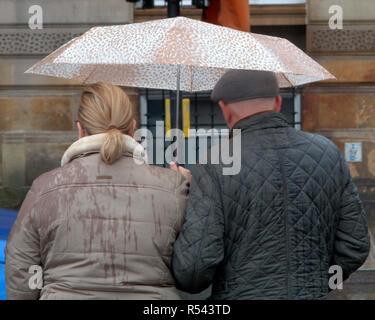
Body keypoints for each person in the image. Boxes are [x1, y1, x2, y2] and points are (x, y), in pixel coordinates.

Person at [171, 70, 370, 299]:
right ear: (277, 102)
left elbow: (193, 272)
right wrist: (313, 283)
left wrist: (183, 193)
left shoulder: (216, 162)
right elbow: (355, 244)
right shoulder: (328, 153)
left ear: (225, 109)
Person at [5, 82, 189, 300]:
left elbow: (21, 267)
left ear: (80, 129)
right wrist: (186, 189)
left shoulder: (44, 188)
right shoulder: (172, 187)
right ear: (133, 127)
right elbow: (192, 269)